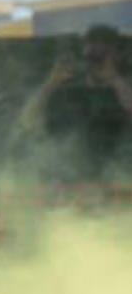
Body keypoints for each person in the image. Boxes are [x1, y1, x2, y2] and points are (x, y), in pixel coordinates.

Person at [17, 25, 132, 179]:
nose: (95, 62)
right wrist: (52, 82)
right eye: (91, 56)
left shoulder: (124, 87)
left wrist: (114, 79)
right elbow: (27, 120)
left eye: (102, 55)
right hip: (64, 175)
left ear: (117, 56)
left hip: (117, 174)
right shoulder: (66, 88)